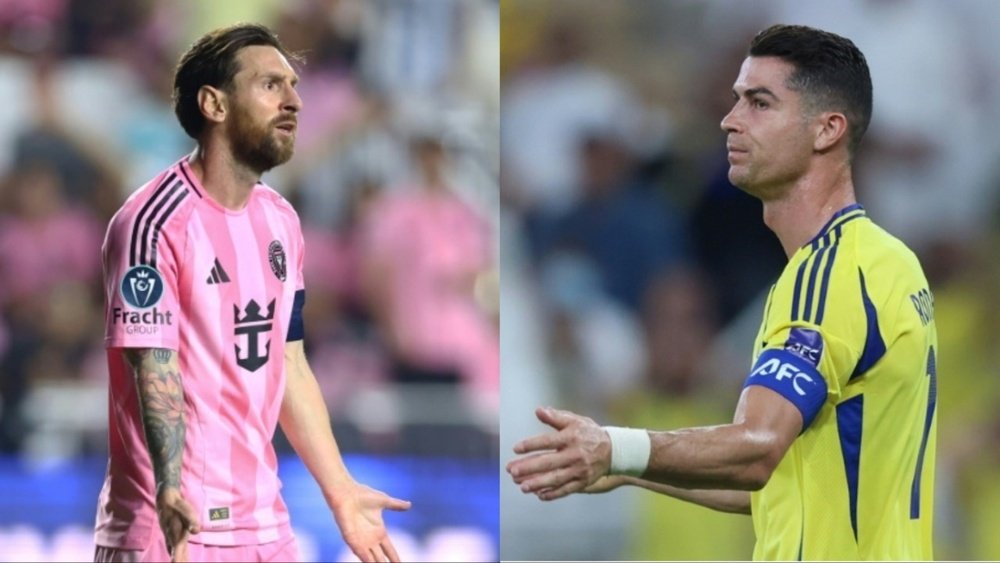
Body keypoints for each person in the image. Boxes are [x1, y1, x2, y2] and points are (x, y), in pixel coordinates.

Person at [507, 24, 938, 560]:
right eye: (736, 100)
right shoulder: (889, 262)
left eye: (760, 103)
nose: (730, 121)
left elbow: (755, 450)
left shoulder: (827, 274)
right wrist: (624, 466)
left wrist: (615, 443)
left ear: (826, 130)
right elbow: (777, 481)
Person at [95, 23, 410, 563]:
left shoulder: (281, 220)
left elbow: (288, 362)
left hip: (266, 528)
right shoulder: (152, 223)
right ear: (214, 104)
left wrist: (340, 491)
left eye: (293, 85)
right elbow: (154, 365)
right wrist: (170, 491)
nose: (294, 101)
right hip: (172, 532)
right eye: (270, 85)